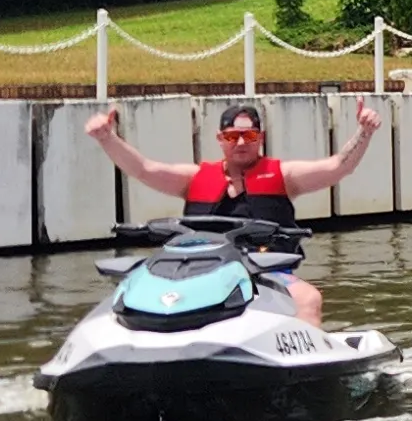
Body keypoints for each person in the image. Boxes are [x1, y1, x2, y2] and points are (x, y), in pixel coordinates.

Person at [84, 96, 383, 325]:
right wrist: (106, 138)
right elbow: (143, 169)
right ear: (220, 139)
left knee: (308, 298)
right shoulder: (194, 179)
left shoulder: (284, 176)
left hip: (266, 271)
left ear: (260, 139)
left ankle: (310, 367)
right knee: (128, 294)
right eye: (232, 136)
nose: (241, 142)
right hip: (201, 270)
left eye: (250, 136)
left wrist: (364, 132)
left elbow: (337, 167)